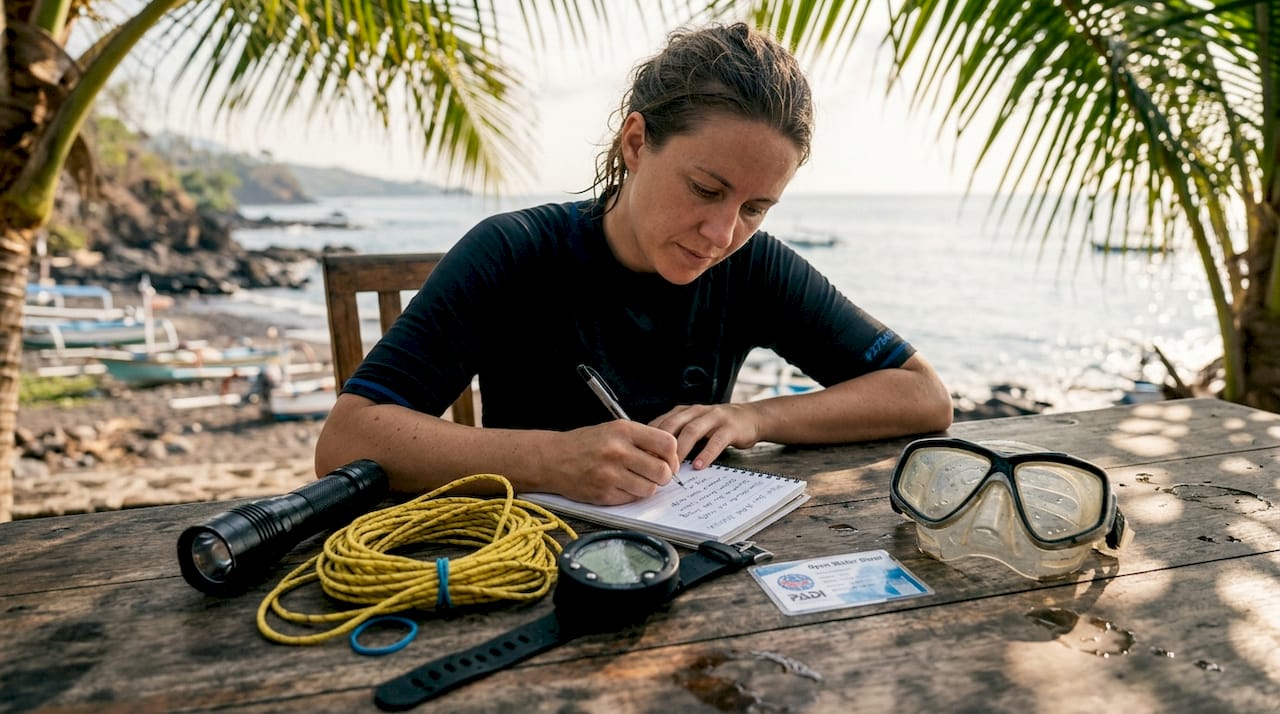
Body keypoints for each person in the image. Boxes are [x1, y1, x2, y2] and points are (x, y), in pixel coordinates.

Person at [315, 22, 953, 505]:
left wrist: (753, 417)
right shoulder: (516, 253)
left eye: (757, 207)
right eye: (705, 189)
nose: (721, 233)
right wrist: (551, 459)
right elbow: (347, 439)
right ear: (636, 143)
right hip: (523, 559)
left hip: (685, 560)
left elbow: (922, 395)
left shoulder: (751, 266)